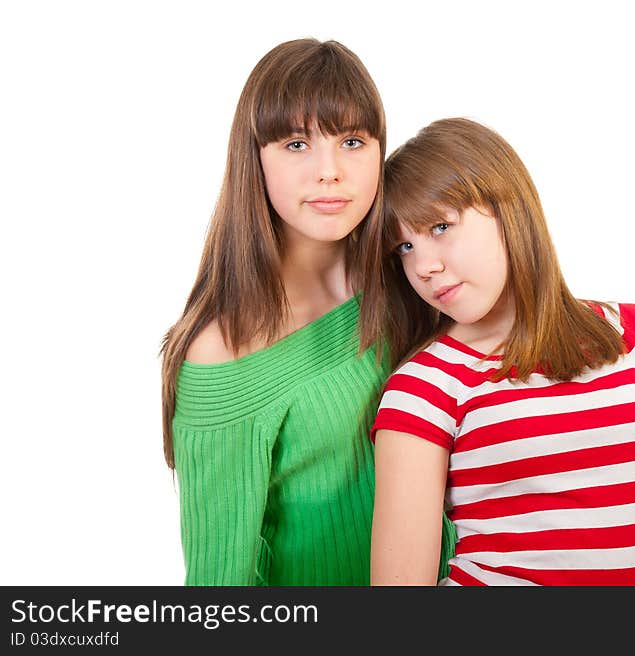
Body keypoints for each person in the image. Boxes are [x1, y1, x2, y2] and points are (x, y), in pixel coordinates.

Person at [361, 118, 635, 586]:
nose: (424, 266)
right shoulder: (424, 387)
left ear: (508, 210)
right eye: (405, 246)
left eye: (441, 226)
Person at [159, 39, 454, 585]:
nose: (330, 171)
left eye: (352, 141)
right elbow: (219, 586)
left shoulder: (416, 275)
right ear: (255, 159)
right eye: (297, 143)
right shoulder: (224, 352)